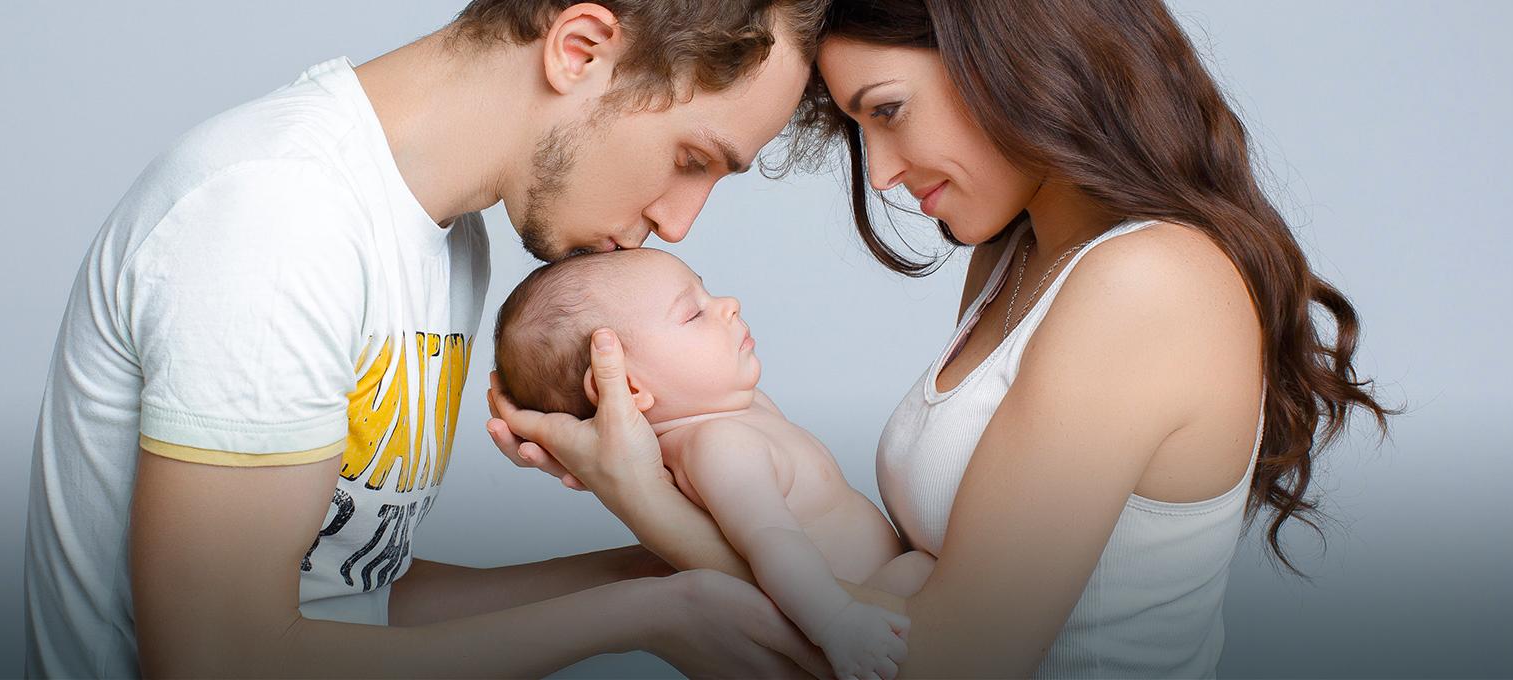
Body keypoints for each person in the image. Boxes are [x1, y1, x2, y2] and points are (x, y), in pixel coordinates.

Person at [490, 0, 1397, 677]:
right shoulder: (1013, 260)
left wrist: (645, 497)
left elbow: (937, 667)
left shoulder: (1146, 285)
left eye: (887, 111)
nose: (879, 174)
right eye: (857, 129)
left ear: (1011, 57)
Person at [22, 1, 841, 677]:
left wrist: (645, 564)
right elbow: (220, 656)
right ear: (580, 50)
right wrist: (645, 614)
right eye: (690, 158)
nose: (678, 222)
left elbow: (350, 597)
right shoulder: (278, 218)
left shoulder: (449, 243)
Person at [493, 248, 933, 680]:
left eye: (707, 293)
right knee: (932, 572)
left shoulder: (736, 411)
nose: (727, 305)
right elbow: (772, 542)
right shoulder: (718, 447)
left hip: (869, 604)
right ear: (627, 387)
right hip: (858, 617)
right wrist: (839, 622)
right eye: (693, 314)